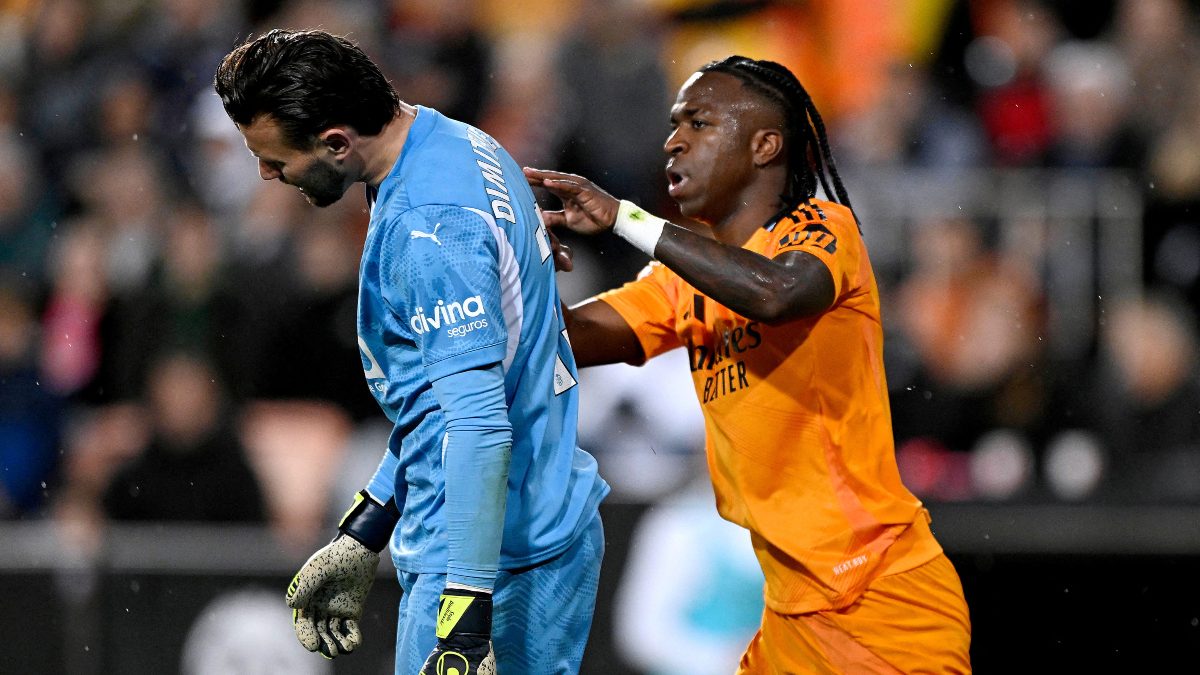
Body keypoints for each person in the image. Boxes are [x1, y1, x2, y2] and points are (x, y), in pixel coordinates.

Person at [525, 55, 972, 673]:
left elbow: (775, 293)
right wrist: (516, 261)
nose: (672, 141)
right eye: (674, 124)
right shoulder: (679, 284)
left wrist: (627, 218)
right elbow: (558, 338)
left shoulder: (824, 228)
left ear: (765, 145)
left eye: (699, 123)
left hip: (880, 599)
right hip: (789, 616)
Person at [213, 29, 609, 675]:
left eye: (275, 157)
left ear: (338, 141)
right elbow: (451, 398)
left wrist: (464, 615)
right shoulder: (452, 141)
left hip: (491, 557)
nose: (266, 173)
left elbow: (478, 426)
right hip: (537, 525)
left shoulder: (428, 225)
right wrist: (368, 524)